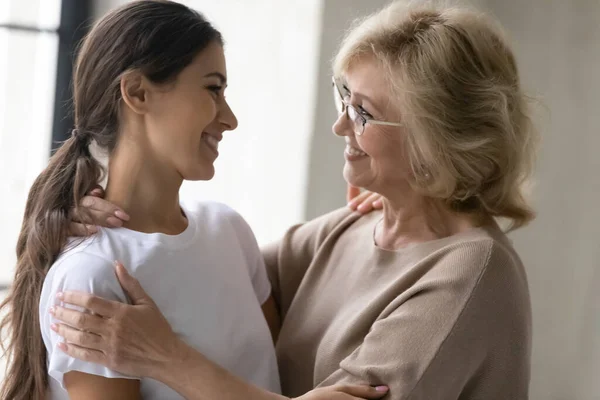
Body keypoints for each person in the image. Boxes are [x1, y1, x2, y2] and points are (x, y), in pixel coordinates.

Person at [50, 1, 538, 399]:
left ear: (437, 140)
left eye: (364, 113)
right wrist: (75, 218)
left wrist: (167, 358)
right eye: (343, 99)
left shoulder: (470, 274)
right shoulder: (346, 232)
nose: (340, 126)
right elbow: (198, 276)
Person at [0, 1, 388, 400]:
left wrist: (393, 201)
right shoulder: (92, 275)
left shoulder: (228, 230)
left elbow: (270, 375)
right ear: (137, 92)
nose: (229, 118)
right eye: (212, 89)